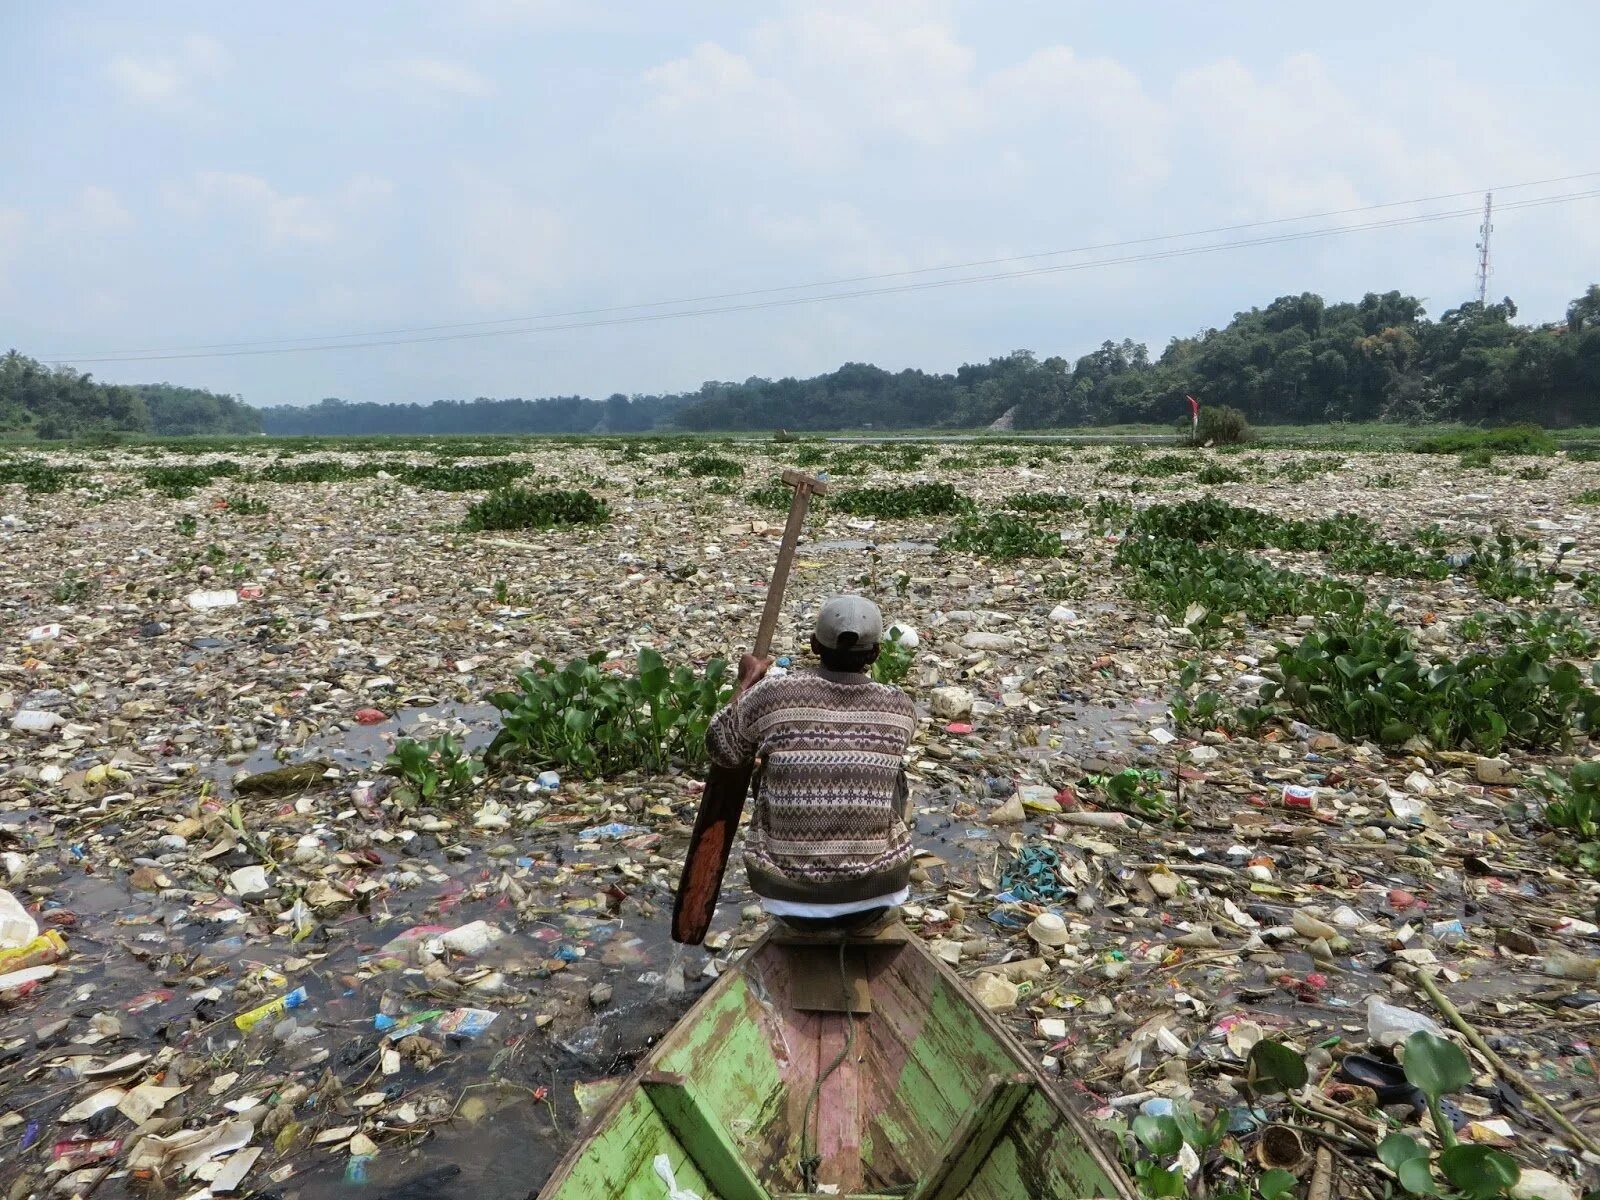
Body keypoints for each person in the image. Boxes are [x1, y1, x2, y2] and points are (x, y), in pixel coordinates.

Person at [706, 595, 917, 931]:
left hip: (786, 898)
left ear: (815, 645)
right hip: (875, 897)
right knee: (893, 773)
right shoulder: (900, 707)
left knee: (769, 762)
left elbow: (722, 749)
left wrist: (745, 685)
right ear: (876, 653)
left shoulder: (773, 693)